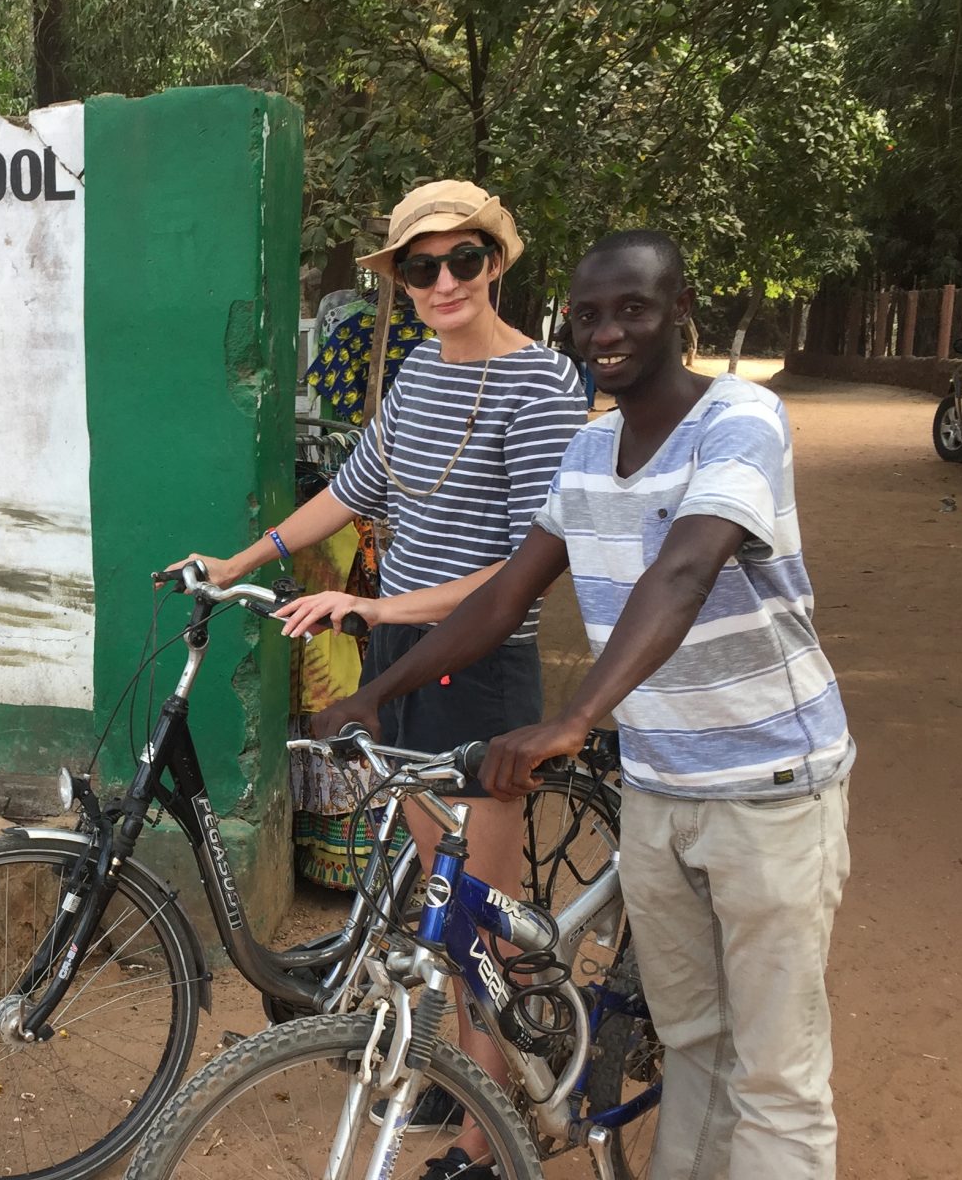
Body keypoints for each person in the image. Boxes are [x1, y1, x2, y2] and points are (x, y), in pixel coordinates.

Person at [315, 229, 854, 1180]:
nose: (607, 333)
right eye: (590, 315)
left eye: (633, 309)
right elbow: (504, 597)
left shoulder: (742, 420)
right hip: (657, 788)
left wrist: (574, 716)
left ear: (681, 313)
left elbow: (683, 570)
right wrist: (376, 692)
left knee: (776, 1075)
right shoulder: (590, 448)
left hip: (772, 786)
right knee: (692, 1042)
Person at [169, 179, 584, 1177]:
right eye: (418, 264)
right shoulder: (414, 381)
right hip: (402, 667)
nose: (441, 280)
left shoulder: (542, 386)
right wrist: (237, 562)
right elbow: (349, 495)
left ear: (493, 263)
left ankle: (494, 1130)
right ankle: (487, 1060)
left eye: (461, 260)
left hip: (480, 671)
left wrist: (378, 608)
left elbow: (536, 554)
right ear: (397, 278)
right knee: (443, 906)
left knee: (480, 912)